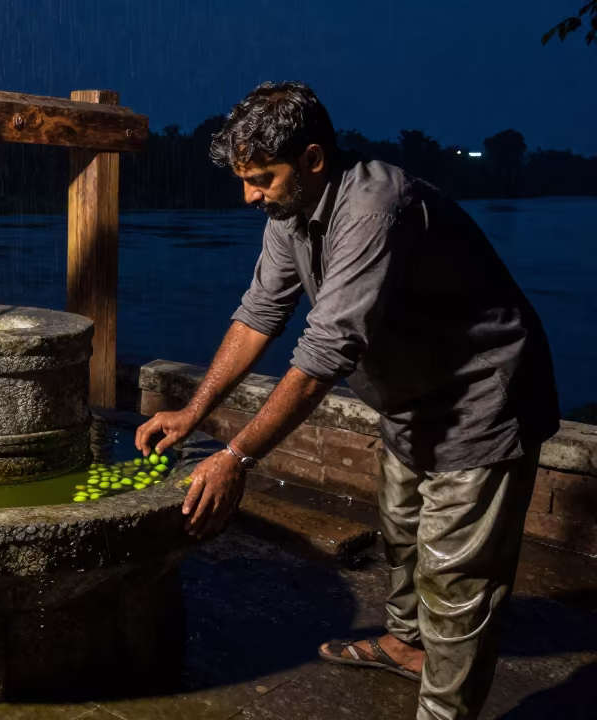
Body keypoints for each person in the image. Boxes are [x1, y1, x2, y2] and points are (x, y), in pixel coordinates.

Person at [134, 81, 559, 720]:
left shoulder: (374, 208)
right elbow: (258, 315)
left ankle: (445, 711)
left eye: (261, 178)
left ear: (312, 159)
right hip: (411, 399)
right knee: (402, 532)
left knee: (456, 581)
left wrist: (238, 457)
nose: (248, 195)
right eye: (244, 179)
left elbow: (326, 354)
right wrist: (194, 411)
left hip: (480, 398)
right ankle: (405, 643)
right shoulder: (290, 212)